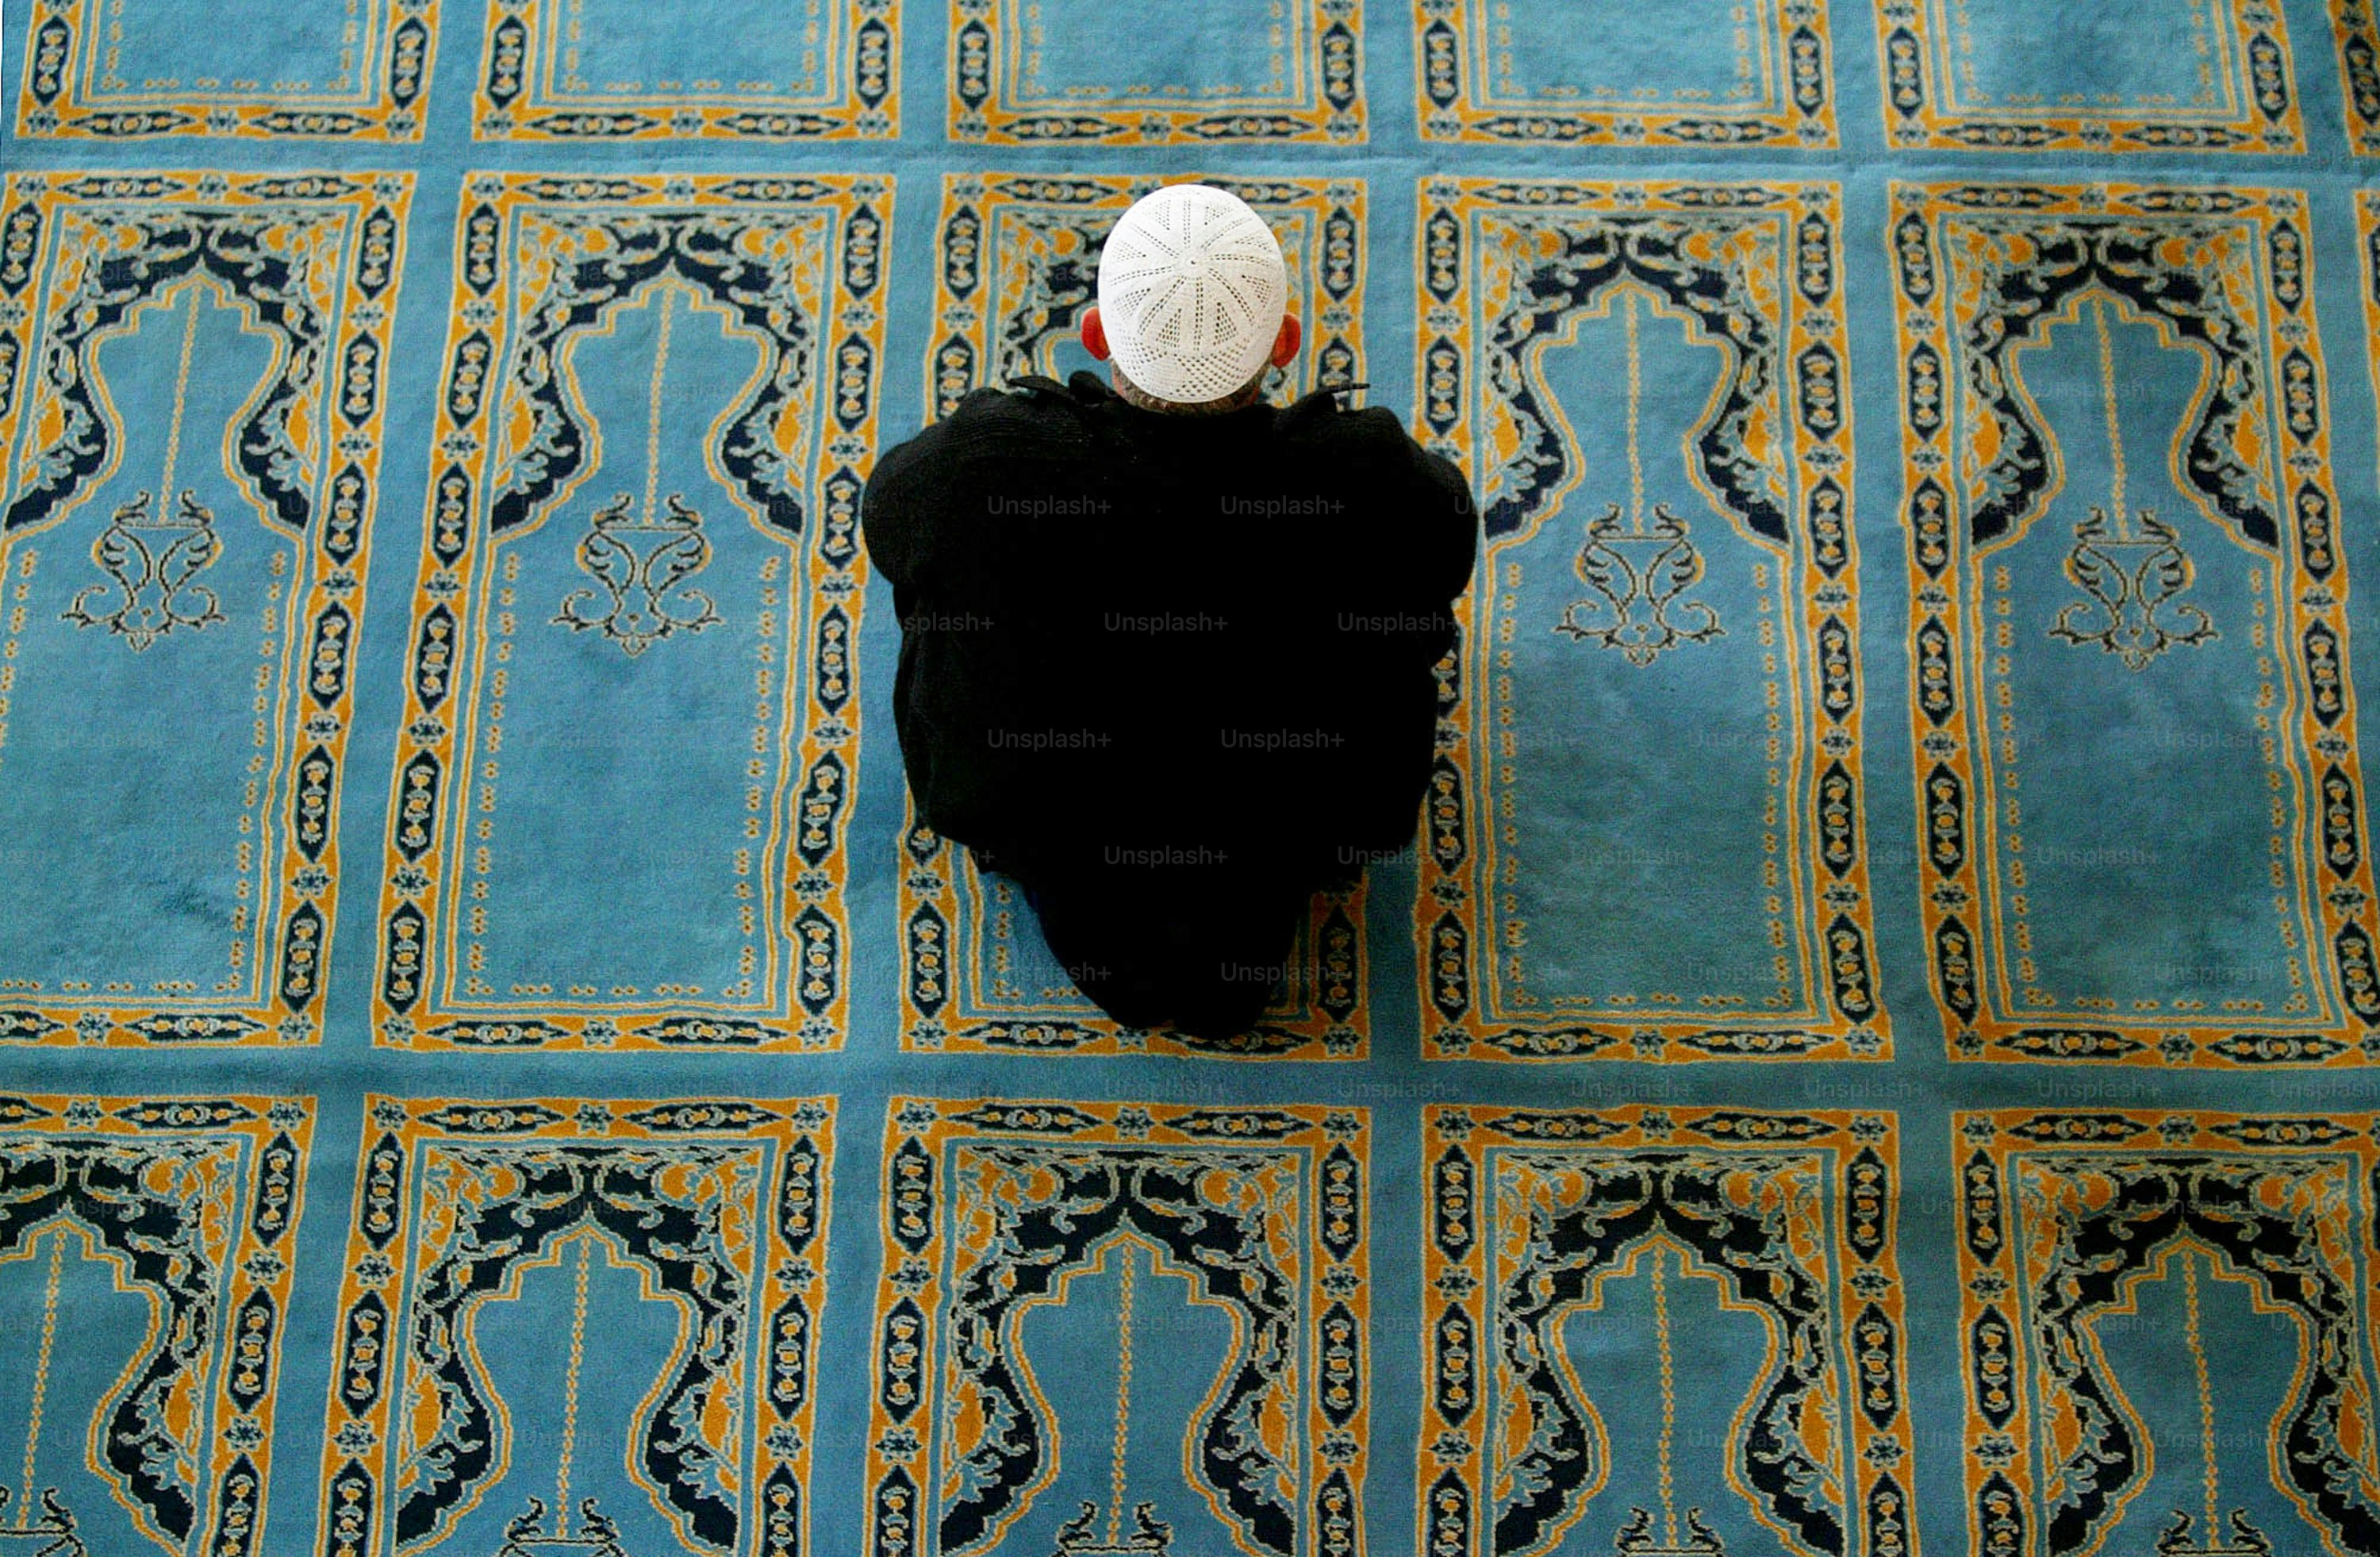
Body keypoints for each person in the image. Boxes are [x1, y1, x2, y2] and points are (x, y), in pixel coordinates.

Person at [862, 183, 1478, 1040]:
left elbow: (887, 526)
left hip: (1045, 825)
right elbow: (1443, 560)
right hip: (1291, 837)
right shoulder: (1372, 479)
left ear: (1098, 335)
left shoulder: (982, 464)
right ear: (1284, 345)